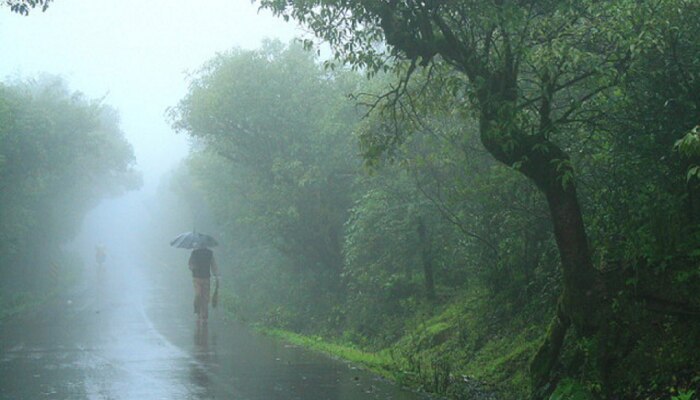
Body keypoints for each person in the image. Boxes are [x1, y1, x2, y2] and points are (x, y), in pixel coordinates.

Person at [188, 243, 219, 324]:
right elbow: (190, 264)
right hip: (197, 278)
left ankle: (204, 317)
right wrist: (192, 267)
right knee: (198, 295)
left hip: (206, 278)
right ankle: (198, 312)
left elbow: (213, 264)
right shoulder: (194, 253)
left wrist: (216, 274)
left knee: (205, 298)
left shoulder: (209, 253)